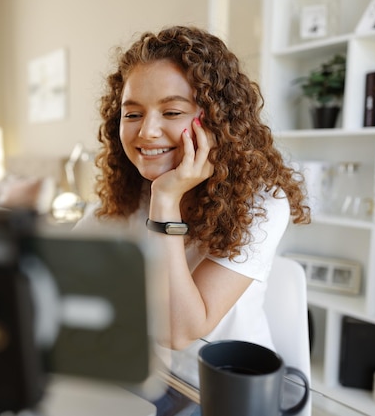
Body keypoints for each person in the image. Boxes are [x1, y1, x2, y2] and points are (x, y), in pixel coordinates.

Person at [72, 25, 311, 415]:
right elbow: (61, 273)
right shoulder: (125, 195)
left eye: (171, 111)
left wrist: (166, 200)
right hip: (152, 384)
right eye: (132, 113)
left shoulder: (262, 203)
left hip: (229, 393)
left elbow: (179, 330)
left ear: (215, 120)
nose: (147, 131)